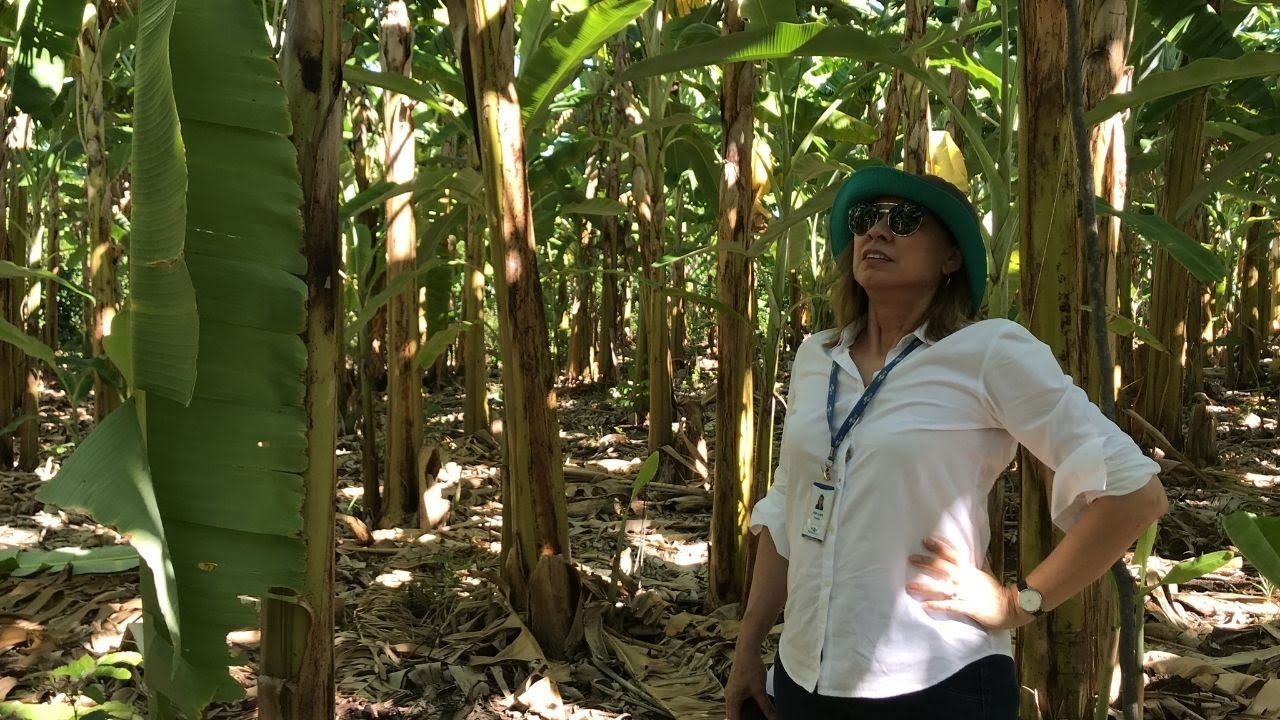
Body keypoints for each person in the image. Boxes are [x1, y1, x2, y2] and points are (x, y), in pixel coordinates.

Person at [725, 167, 1168, 720]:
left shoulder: (987, 353)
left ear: (951, 258)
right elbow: (789, 505)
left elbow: (1136, 493)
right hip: (801, 678)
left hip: (935, 683)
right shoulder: (818, 356)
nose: (878, 232)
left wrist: (1017, 602)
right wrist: (748, 648)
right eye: (866, 220)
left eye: (905, 221)